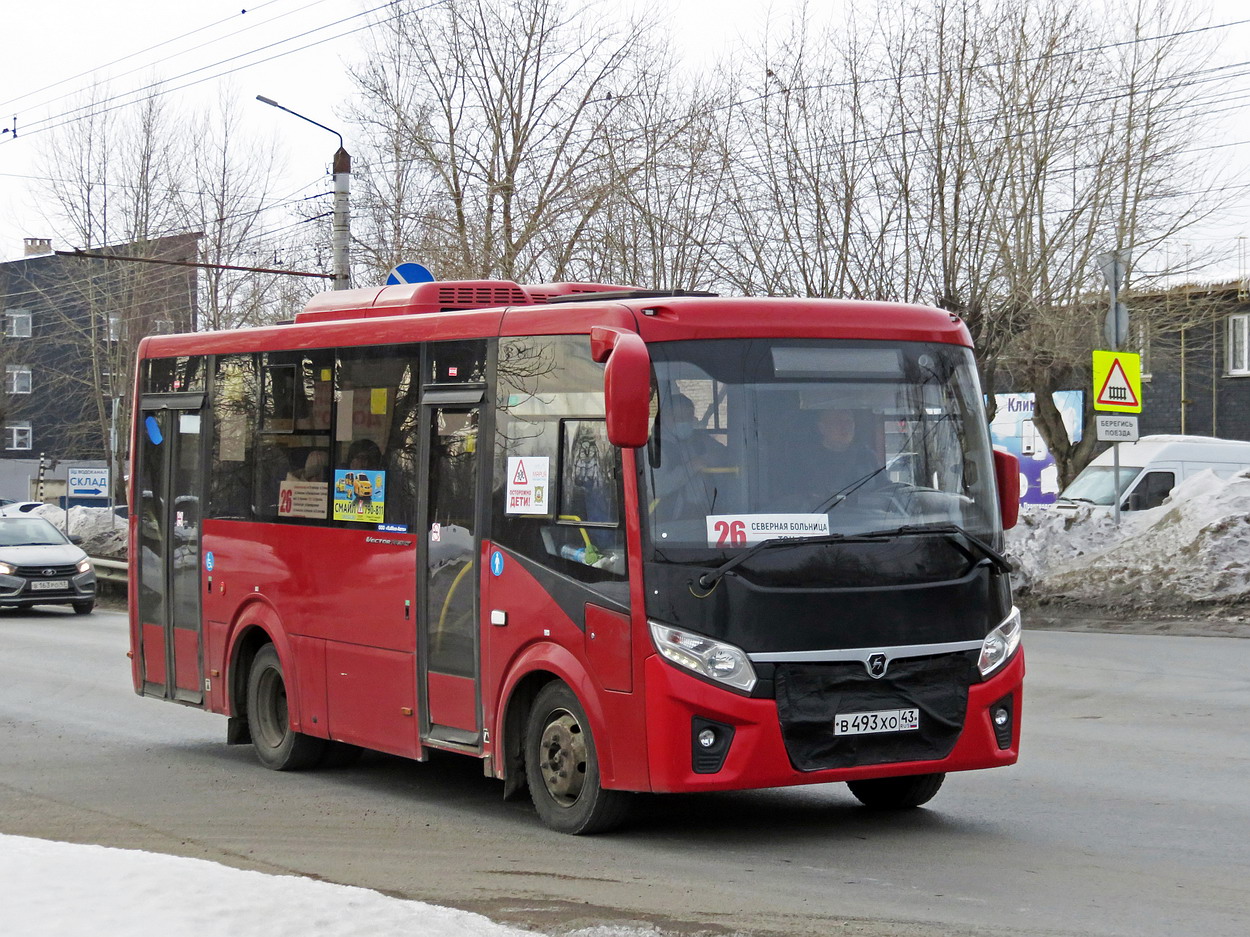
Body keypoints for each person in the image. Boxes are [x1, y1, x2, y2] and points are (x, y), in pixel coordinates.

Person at [815, 407, 881, 498]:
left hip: (867, 511)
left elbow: (884, 487)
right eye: (838, 422)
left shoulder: (866, 455)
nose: (845, 427)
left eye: (848, 421)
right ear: (822, 428)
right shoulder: (808, 460)